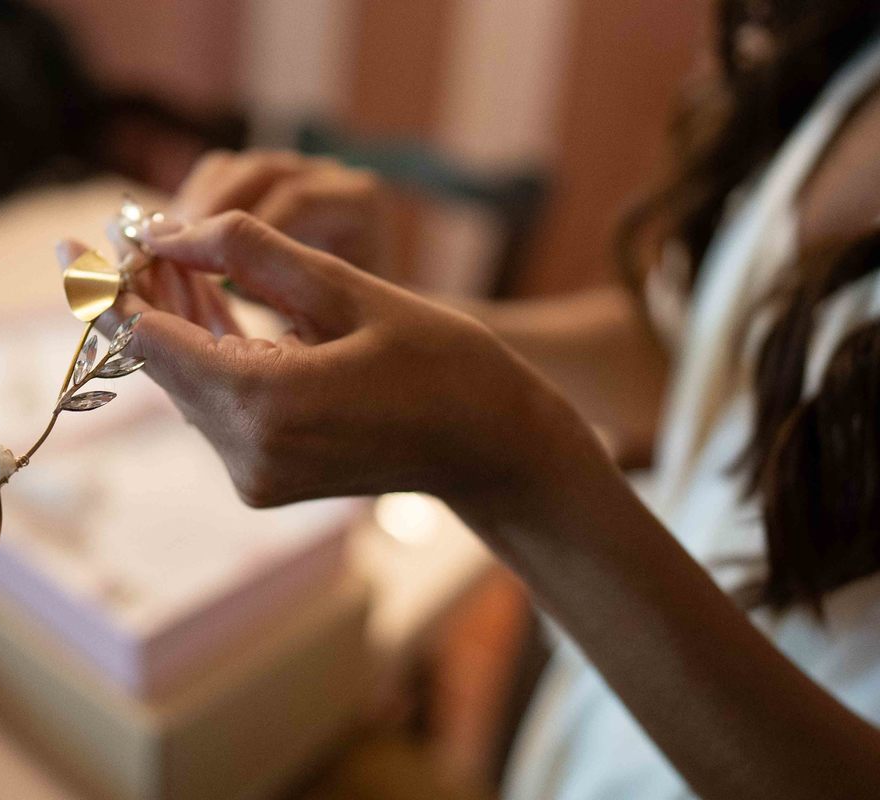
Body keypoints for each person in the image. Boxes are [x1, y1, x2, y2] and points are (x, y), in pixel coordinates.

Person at [63, 2, 880, 797]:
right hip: (602, 730)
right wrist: (398, 321)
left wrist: (516, 469)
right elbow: (700, 353)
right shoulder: (842, 49)